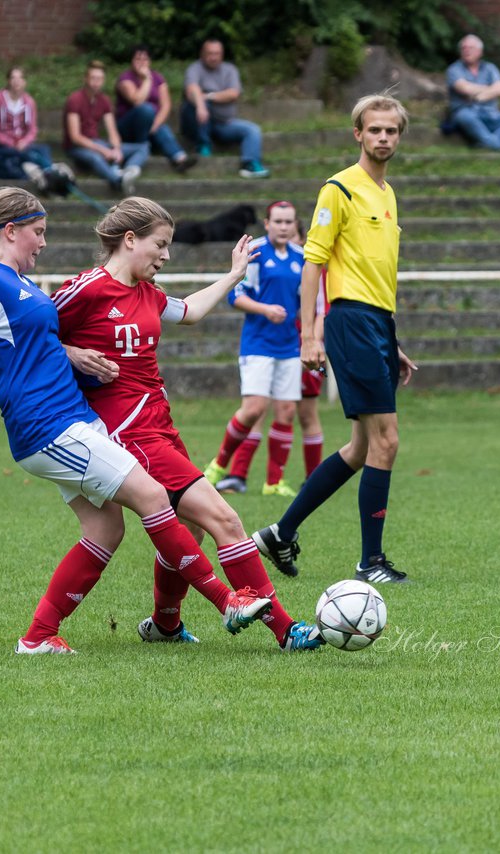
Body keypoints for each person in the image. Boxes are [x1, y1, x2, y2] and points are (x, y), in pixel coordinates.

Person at [0, 187, 272, 654]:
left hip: (72, 420)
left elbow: (37, 343)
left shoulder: (21, 284)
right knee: (154, 496)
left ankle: (38, 637)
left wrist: (72, 352)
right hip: (48, 425)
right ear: (10, 231)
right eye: (38, 233)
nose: (43, 242)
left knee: (105, 530)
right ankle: (226, 601)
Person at [52, 197, 323, 651]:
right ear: (130, 239)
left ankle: (164, 625)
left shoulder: (148, 293)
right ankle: (286, 630)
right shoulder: (87, 288)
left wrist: (234, 275)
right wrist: (71, 353)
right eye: (160, 245)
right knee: (225, 520)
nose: (166, 255)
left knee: (193, 528)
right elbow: (30, 333)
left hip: (161, 424)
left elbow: (191, 311)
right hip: (127, 431)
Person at [251, 93, 417, 585]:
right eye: (375, 129)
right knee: (387, 440)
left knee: (362, 447)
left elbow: (374, 272)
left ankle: (281, 532)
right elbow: (313, 264)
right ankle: (371, 562)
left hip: (377, 323)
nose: (383, 137)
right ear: (358, 134)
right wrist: (309, 335)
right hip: (351, 322)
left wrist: (393, 339)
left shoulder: (387, 194)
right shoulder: (339, 189)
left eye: (392, 130)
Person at [202, 201, 305, 498]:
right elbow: (235, 295)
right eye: (278, 222)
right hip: (258, 344)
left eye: (289, 222)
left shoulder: (302, 257)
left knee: (285, 412)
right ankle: (219, 465)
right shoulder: (256, 253)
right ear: (266, 223)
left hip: (289, 346)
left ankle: (274, 482)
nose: (284, 227)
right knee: (254, 409)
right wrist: (264, 309)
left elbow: (307, 300)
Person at [180, 39, 271, 179]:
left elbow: (233, 93)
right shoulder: (194, 68)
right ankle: (203, 144)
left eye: (217, 53)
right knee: (196, 103)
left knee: (253, 130)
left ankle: (250, 164)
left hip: (224, 123)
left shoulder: (230, 69)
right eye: (210, 53)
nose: (214, 57)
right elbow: (191, 90)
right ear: (202, 54)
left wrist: (208, 96)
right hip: (198, 123)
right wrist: (201, 104)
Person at [64, 60, 149, 195]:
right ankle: (118, 180)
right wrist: (103, 150)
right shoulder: (74, 99)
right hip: (77, 147)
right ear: (86, 78)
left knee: (143, 147)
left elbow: (112, 131)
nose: (96, 82)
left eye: (100, 79)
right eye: (93, 78)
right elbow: (75, 137)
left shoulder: (104, 100)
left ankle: (128, 171)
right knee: (95, 157)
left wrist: (116, 148)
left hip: (98, 143)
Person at [0, 66, 73, 191]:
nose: (16, 81)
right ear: (8, 80)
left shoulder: (29, 101)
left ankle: (48, 172)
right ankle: (46, 172)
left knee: (44, 149)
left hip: (23, 144)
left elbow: (32, 130)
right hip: (4, 145)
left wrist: (24, 141)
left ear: (24, 82)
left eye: (20, 78)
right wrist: (12, 143)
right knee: (16, 156)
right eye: (13, 77)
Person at [115, 46, 197, 174]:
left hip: (151, 126)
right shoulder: (125, 79)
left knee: (160, 126)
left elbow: (165, 105)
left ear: (150, 61)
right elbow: (137, 101)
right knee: (146, 109)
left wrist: (155, 124)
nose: (141, 62)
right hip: (128, 127)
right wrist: (147, 79)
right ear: (131, 61)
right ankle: (141, 148)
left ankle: (180, 158)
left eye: (145, 59)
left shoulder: (158, 78)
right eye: (138, 59)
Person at [444, 34, 500, 153]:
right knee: (466, 117)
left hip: (490, 113)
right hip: (465, 112)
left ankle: (485, 143)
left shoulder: (490, 68)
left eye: (470, 48)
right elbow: (465, 89)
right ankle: (499, 146)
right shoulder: (454, 69)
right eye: (463, 48)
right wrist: (490, 89)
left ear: (480, 52)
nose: (466, 50)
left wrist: (478, 96)